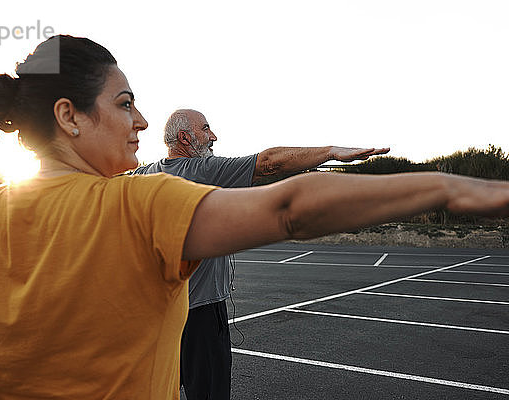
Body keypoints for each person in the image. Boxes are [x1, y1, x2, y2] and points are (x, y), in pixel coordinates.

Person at [0, 35, 508, 400]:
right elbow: (290, 209)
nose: (140, 122)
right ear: (70, 117)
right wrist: (450, 187)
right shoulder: (140, 202)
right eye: (125, 104)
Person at [133, 108, 390, 400]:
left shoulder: (143, 175)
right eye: (206, 129)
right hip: (201, 313)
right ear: (184, 137)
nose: (213, 136)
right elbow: (268, 163)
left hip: (160, 313)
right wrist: (330, 151)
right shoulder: (202, 171)